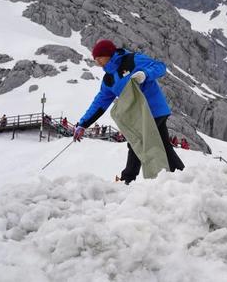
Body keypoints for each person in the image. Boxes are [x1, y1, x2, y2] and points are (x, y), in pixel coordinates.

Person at [74, 39, 184, 184]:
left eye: (99, 57)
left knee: (136, 141)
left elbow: (160, 67)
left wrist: (145, 74)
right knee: (161, 145)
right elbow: (100, 103)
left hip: (154, 109)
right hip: (139, 115)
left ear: (108, 54)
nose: (98, 62)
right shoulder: (109, 79)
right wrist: (83, 124)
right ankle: (182, 176)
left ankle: (127, 179)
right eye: (95, 59)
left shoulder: (132, 60)